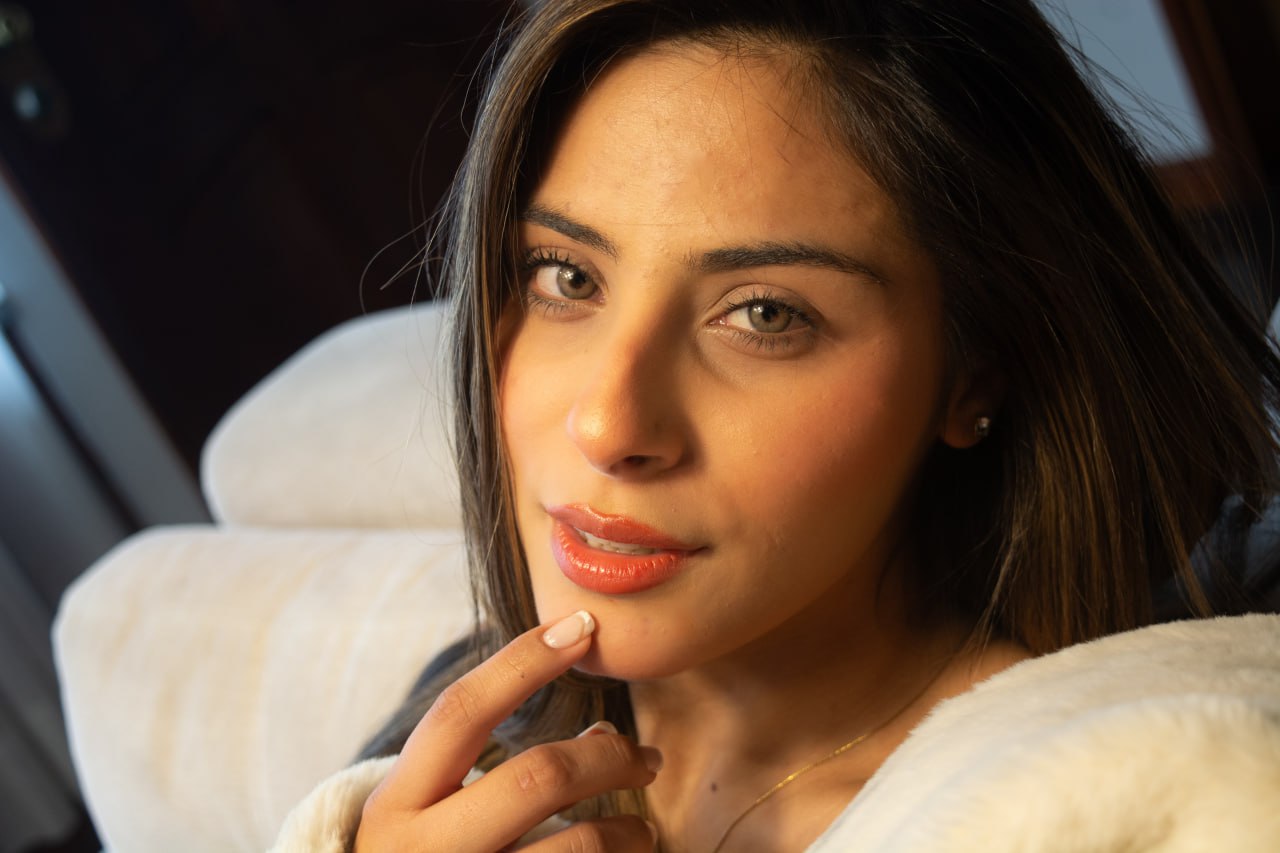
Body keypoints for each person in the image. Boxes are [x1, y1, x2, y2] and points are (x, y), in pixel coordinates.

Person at [272, 1, 1280, 850]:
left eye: (764, 314)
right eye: (567, 277)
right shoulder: (467, 726)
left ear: (974, 375)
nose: (607, 423)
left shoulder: (1113, 794)